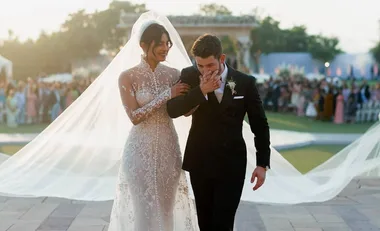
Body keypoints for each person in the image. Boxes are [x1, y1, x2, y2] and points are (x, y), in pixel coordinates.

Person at [166, 34, 271, 231]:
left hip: (232, 164)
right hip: (200, 162)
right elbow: (172, 110)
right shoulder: (189, 75)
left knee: (223, 223)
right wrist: (201, 90)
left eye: (210, 65)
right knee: (205, 223)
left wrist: (262, 164)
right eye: (200, 65)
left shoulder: (245, 82)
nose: (205, 70)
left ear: (221, 59)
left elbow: (260, 124)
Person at [108, 23, 198, 231]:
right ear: (143, 45)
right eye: (160, 44)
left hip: (168, 149)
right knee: (143, 210)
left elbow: (185, 111)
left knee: (167, 210)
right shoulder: (127, 77)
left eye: (168, 44)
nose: (166, 48)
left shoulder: (174, 74)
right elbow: (134, 116)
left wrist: (200, 93)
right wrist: (167, 94)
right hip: (139, 151)